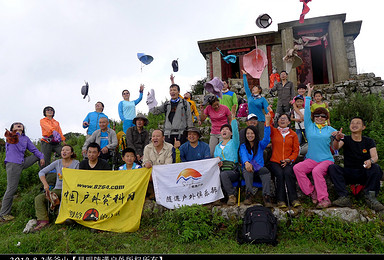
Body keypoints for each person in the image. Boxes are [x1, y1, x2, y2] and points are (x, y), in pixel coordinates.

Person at [293, 84, 337, 208]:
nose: (320, 118)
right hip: (311, 159)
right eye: (317, 116)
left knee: (316, 172)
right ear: (314, 117)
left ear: (326, 118)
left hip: (326, 160)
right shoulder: (310, 126)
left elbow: (341, 138)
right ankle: (312, 192)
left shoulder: (330, 129)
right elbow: (306, 111)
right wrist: (308, 95)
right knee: (297, 168)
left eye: (323, 116)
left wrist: (339, 137)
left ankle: (324, 199)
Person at [328, 117, 384, 211]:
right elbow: (336, 148)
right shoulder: (346, 139)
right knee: (332, 167)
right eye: (352, 123)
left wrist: (370, 161)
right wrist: (337, 139)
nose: (354, 125)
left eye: (358, 123)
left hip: (364, 171)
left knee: (376, 167)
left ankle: (370, 197)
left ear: (363, 127)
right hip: (349, 172)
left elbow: (375, 157)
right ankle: (343, 196)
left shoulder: (369, 141)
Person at [0, 123, 45, 222]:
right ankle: (3, 214)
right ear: (12, 128)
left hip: (22, 162)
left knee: (39, 155)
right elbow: (11, 140)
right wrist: (13, 133)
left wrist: (41, 157)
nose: (19, 125)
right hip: (13, 164)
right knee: (11, 188)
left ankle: (44, 173)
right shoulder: (11, 136)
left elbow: (34, 149)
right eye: (16, 124)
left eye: (21, 124)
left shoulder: (26, 138)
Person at [33, 145, 79, 231]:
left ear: (72, 153)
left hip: (70, 190)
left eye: (67, 150)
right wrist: (45, 184)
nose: (64, 152)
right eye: (62, 150)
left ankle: (67, 221)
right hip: (57, 189)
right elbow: (41, 172)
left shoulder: (76, 164)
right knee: (39, 198)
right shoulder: (57, 162)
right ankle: (43, 221)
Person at [268, 112, 300, 208]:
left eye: (285, 118)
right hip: (275, 161)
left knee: (288, 173)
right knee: (279, 174)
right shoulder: (274, 131)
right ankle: (280, 200)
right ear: (277, 121)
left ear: (289, 122)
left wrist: (289, 160)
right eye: (281, 118)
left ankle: (293, 199)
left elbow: (296, 150)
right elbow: (268, 124)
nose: (282, 120)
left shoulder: (293, 134)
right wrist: (270, 113)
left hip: (288, 161)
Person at [239, 113, 272, 207]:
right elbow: (243, 155)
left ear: (255, 134)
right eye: (248, 133)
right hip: (249, 170)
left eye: (252, 133)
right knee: (247, 170)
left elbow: (266, 138)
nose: (250, 135)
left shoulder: (260, 145)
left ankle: (266, 196)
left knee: (265, 171)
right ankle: (249, 194)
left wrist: (268, 123)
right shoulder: (243, 146)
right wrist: (246, 162)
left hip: (259, 170)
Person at [149, 82, 193, 146]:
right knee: (169, 154)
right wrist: (150, 102)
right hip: (168, 134)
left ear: (178, 92)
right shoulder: (167, 104)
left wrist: (190, 132)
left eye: (174, 90)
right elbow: (154, 111)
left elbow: (189, 117)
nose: (172, 92)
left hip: (181, 133)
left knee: (180, 153)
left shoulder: (185, 103)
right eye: (171, 90)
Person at [214, 105, 239, 206]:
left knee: (224, 175)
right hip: (221, 169)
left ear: (231, 133)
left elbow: (236, 131)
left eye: (227, 129)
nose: (224, 131)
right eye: (222, 130)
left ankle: (232, 195)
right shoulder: (217, 147)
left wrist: (233, 117)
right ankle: (216, 197)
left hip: (233, 170)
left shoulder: (234, 142)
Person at [142, 129, 173, 199]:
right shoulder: (147, 148)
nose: (155, 138)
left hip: (164, 175)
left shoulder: (169, 147)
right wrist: (146, 164)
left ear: (163, 138)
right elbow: (145, 162)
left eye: (158, 136)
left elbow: (168, 165)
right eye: (153, 136)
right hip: (151, 176)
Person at [242, 70, 269, 139]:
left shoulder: (262, 99)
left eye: (255, 88)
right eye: (253, 88)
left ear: (259, 90)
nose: (253, 89)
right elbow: (246, 87)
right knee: (252, 137)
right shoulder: (250, 96)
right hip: (251, 120)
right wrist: (244, 75)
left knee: (261, 137)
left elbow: (267, 109)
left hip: (260, 120)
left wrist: (269, 118)